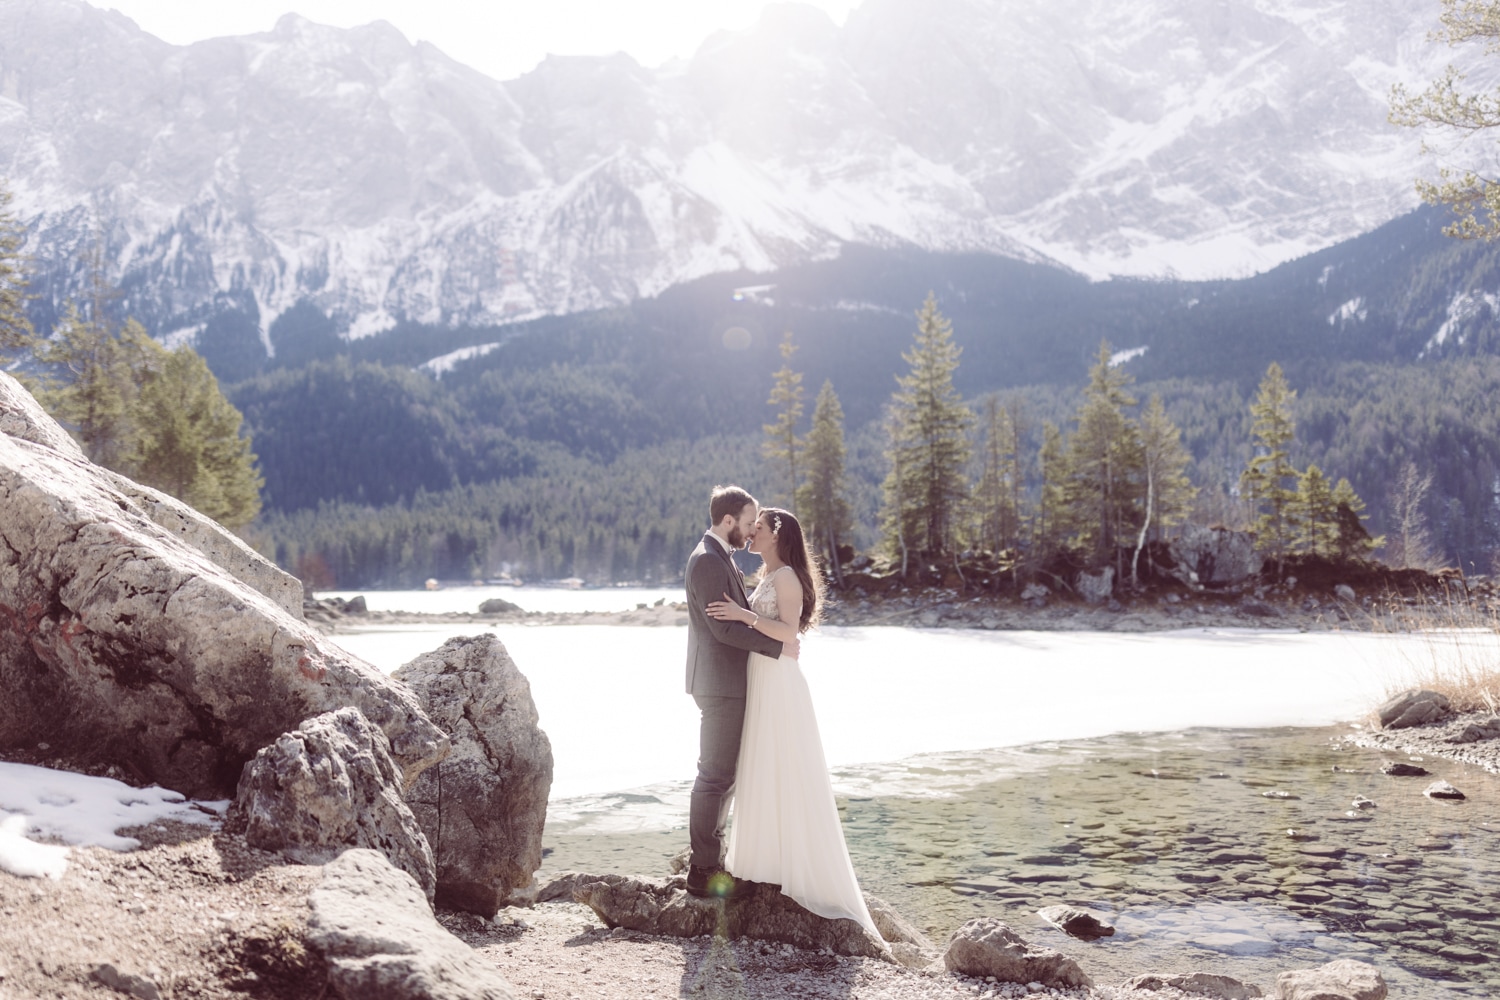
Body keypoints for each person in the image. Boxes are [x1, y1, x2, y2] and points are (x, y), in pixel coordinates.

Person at [706, 506, 880, 939]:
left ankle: (796, 867)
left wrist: (744, 616)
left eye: (758, 528)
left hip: (779, 682)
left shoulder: (784, 577)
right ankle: (766, 861)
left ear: (778, 536)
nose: (751, 534)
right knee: (763, 767)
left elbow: (789, 633)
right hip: (762, 676)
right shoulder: (767, 575)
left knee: (784, 766)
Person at [683, 485, 795, 898]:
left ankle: (712, 861)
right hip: (720, 683)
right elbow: (723, 629)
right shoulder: (709, 561)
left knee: (723, 776)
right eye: (748, 523)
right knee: (714, 776)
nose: (750, 532)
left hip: (724, 680)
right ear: (727, 520)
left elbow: (733, 618)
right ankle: (702, 872)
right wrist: (778, 647)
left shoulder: (717, 556)